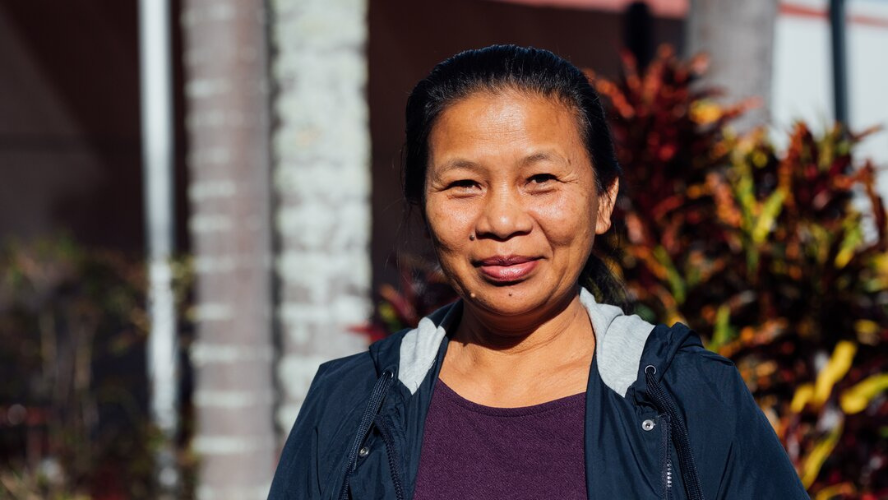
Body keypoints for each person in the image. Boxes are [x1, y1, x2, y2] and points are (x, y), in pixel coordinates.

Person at [267, 45, 808, 500]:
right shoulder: (348, 405)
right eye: (463, 185)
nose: (502, 221)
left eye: (541, 179)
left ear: (603, 200)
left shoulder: (692, 399)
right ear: (423, 208)